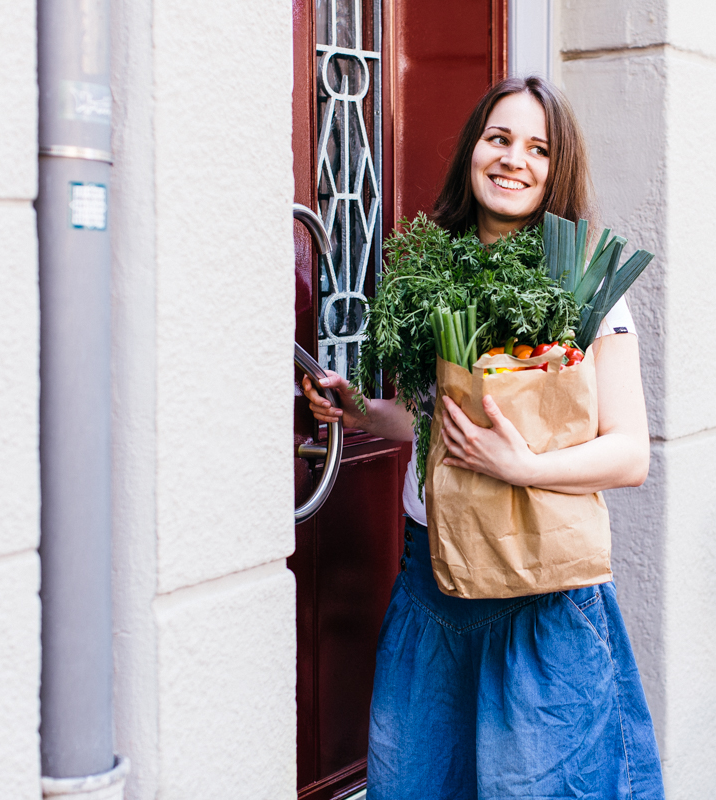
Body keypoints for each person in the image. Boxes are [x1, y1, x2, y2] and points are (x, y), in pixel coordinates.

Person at [302, 76, 664, 800]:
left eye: (538, 148)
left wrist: (522, 465)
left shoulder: (584, 282)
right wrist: (363, 413)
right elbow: (435, 420)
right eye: (499, 139)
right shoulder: (430, 268)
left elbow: (629, 454)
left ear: (556, 168)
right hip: (430, 585)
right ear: (473, 149)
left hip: (541, 599)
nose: (513, 160)